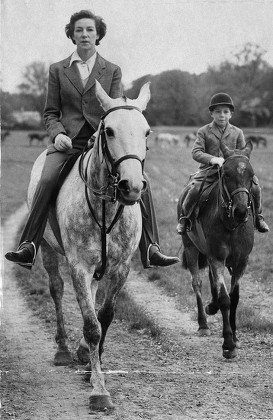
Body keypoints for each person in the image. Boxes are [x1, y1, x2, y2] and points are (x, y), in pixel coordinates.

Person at [5, 10, 179, 270]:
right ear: (71, 35)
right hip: (69, 142)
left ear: (98, 35)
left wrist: (104, 137)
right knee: (48, 178)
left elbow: (116, 112)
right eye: (79, 30)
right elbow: (50, 113)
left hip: (104, 143)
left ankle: (151, 247)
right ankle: (29, 244)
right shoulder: (57, 70)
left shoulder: (112, 70)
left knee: (143, 182)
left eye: (89, 30)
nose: (84, 34)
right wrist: (59, 134)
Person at [176, 92, 269, 234]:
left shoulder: (237, 132)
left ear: (231, 114)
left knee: (256, 187)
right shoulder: (204, 131)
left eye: (226, 112)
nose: (222, 115)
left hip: (233, 173)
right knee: (194, 189)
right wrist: (213, 159)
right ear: (211, 114)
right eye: (218, 112)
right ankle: (185, 219)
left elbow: (243, 154)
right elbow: (196, 152)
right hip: (209, 172)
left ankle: (258, 218)